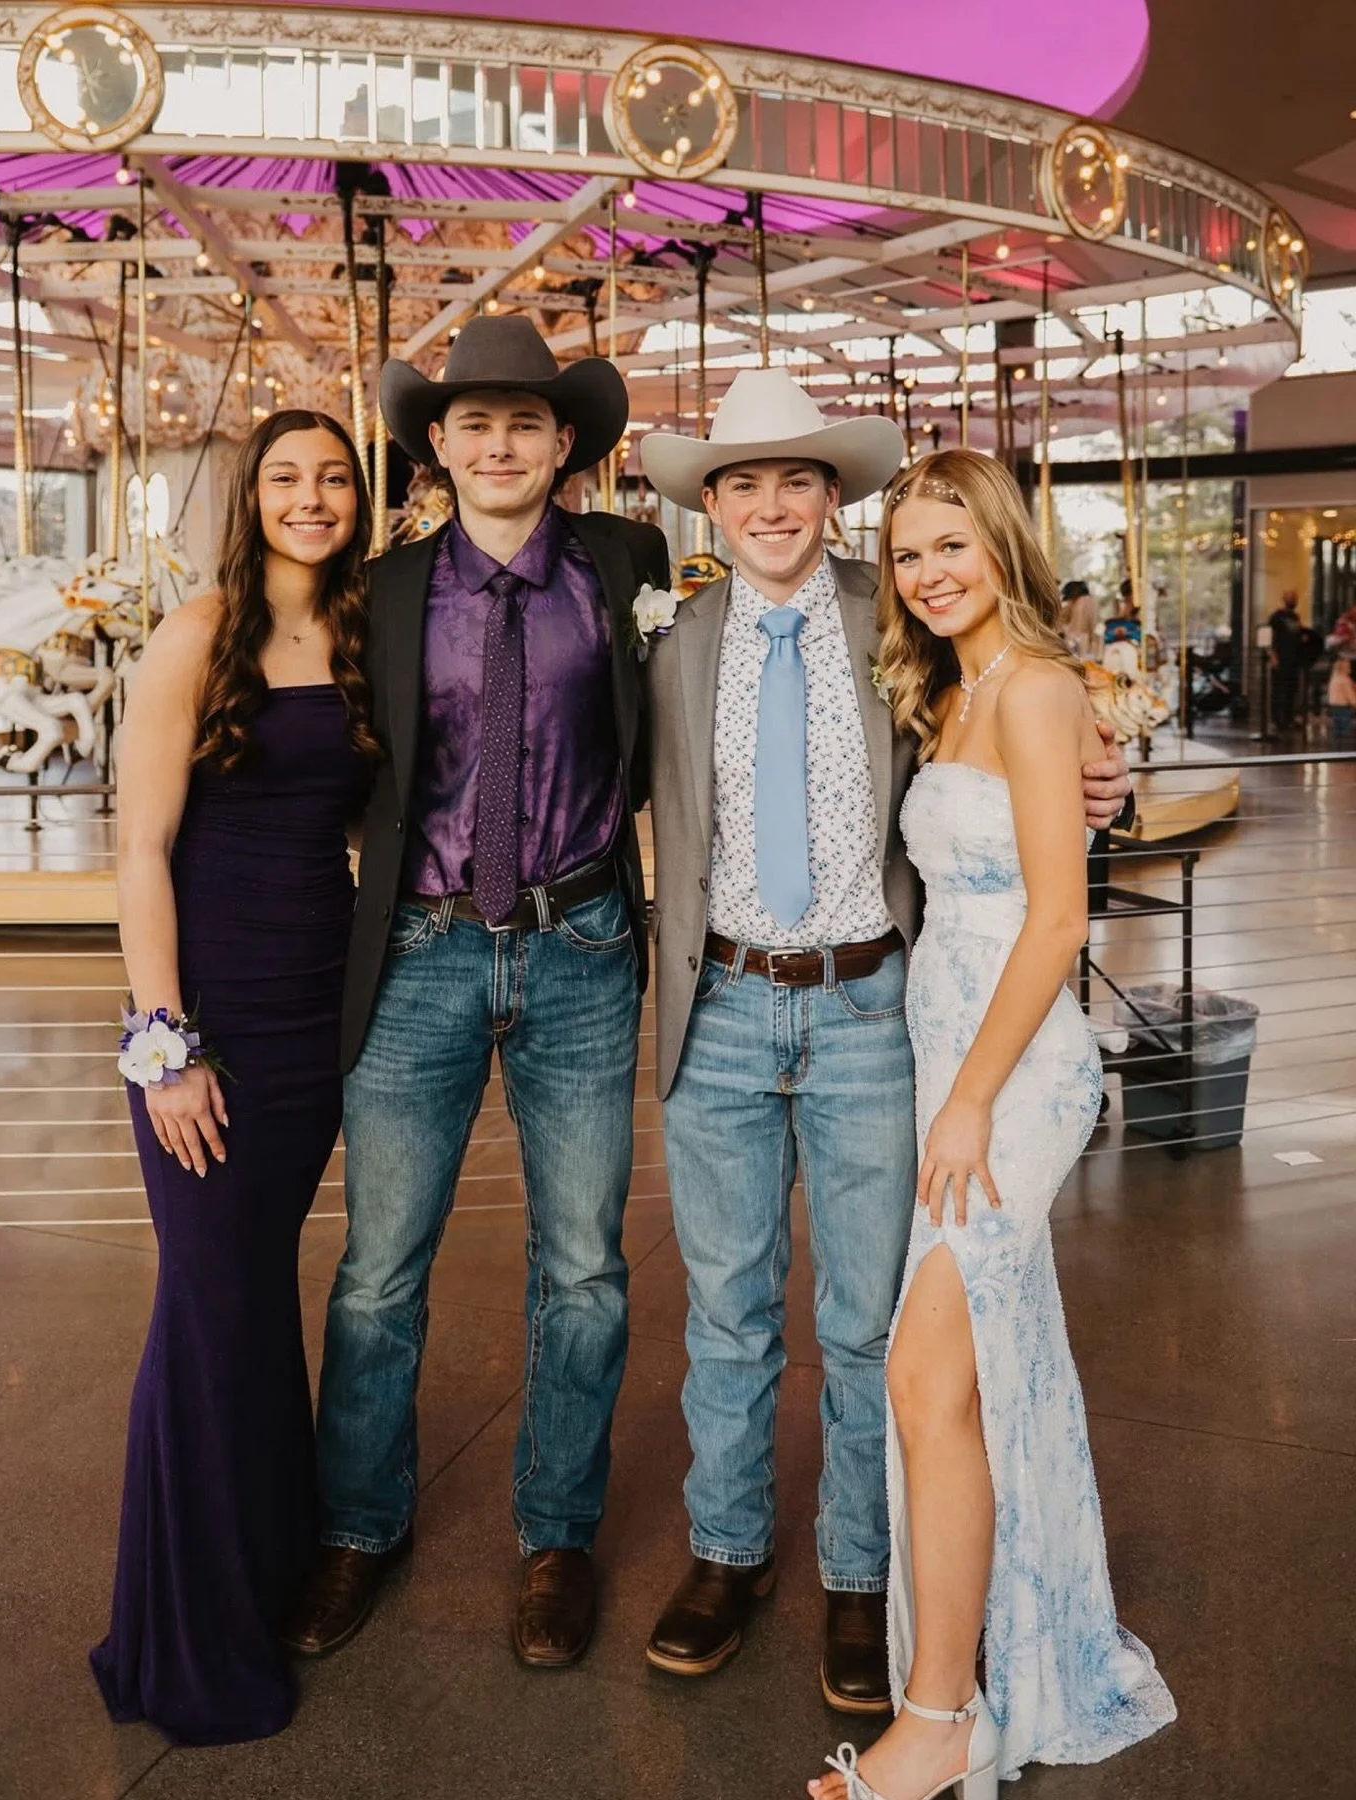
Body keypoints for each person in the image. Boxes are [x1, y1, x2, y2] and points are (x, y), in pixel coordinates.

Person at [636, 372, 1133, 1720]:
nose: (772, 502)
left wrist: (1104, 768)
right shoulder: (675, 647)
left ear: (832, 497)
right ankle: (726, 1556)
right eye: (744, 481)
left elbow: (1017, 752)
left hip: (872, 1007)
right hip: (723, 1007)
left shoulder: (897, 625)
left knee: (869, 1326)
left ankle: (864, 1575)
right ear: (713, 504)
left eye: (798, 478)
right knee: (729, 1317)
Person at [281, 315, 669, 1668]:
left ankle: (556, 1535)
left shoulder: (628, 565)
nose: (498, 442)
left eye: (525, 421)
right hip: (424, 951)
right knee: (380, 1273)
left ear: (567, 446)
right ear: (436, 449)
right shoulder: (379, 591)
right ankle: (358, 1527)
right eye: (472, 423)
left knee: (586, 1270)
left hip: (579, 947)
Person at [808, 450, 1175, 1800]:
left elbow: (1062, 920)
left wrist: (967, 1106)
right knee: (961, 1384)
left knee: (918, 1374)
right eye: (906, 552)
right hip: (947, 1054)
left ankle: (939, 1714)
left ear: (1003, 545)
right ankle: (978, 1682)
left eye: (950, 545)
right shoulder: (948, 688)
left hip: (1012, 1079)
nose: (926, 573)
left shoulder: (1033, 688)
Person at [90, 410, 376, 1743]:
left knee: (257, 1295)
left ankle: (264, 1574)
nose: (310, 498)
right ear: (250, 497)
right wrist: (165, 1050)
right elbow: (140, 850)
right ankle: (182, 1635)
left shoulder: (366, 632)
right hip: (208, 1021)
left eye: (332, 479)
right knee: (207, 1306)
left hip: (316, 1020)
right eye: (286, 478)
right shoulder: (199, 633)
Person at [1268, 588, 1304, 730]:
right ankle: (1277, 719)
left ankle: (1289, 718)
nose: (1293, 600)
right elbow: (1270, 636)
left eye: (1295, 598)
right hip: (1280, 658)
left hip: (1294, 659)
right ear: (1284, 598)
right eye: (1290, 597)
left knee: (1291, 689)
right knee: (1279, 689)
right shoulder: (1277, 616)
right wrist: (1273, 655)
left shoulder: (1295, 617)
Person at [1059, 577, 1100, 660]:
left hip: (1076, 639)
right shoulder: (1090, 601)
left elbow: (1062, 619)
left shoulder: (1081, 602)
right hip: (1084, 640)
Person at [1328, 652, 1356, 745]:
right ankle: (1344, 741)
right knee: (1344, 723)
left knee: (1337, 723)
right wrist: (1354, 703)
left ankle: (1337, 739)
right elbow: (1349, 694)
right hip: (1343, 705)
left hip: (1334, 704)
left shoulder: (1334, 678)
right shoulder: (1345, 680)